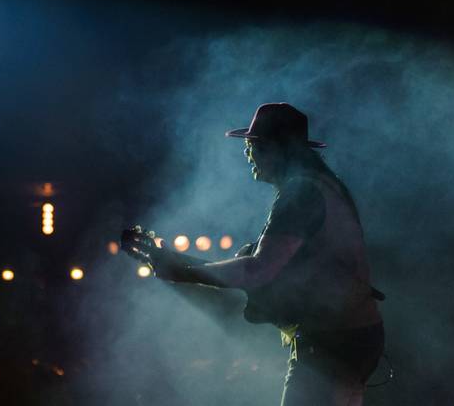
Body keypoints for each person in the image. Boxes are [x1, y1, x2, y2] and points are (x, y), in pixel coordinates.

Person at [122, 102, 384, 406]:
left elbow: (256, 271)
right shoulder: (319, 185)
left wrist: (180, 268)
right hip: (348, 337)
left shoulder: (301, 193)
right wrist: (179, 265)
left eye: (252, 146)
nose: (247, 155)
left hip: (334, 340)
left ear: (276, 149)